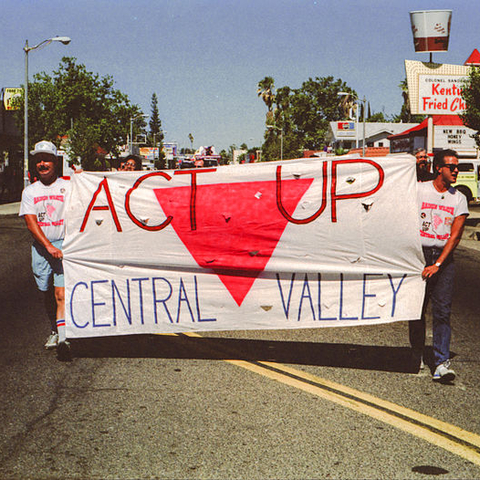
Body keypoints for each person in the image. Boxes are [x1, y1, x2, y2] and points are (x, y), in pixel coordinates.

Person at [410, 149, 468, 382]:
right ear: (438, 169)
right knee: (416, 309)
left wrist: (438, 263)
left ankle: (441, 362)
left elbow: (454, 236)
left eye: (457, 166)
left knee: (442, 311)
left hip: (443, 259)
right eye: (451, 166)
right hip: (417, 255)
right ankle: (416, 354)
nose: (456, 170)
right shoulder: (420, 190)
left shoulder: (459, 198)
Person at [19, 140, 71, 361]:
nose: (42, 163)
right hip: (42, 249)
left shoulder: (68, 186)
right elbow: (31, 223)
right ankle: (54, 327)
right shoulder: (30, 192)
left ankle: (63, 337)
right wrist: (47, 247)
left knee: (61, 293)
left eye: (47, 159)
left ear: (55, 162)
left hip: (64, 246)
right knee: (46, 291)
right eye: (39, 160)